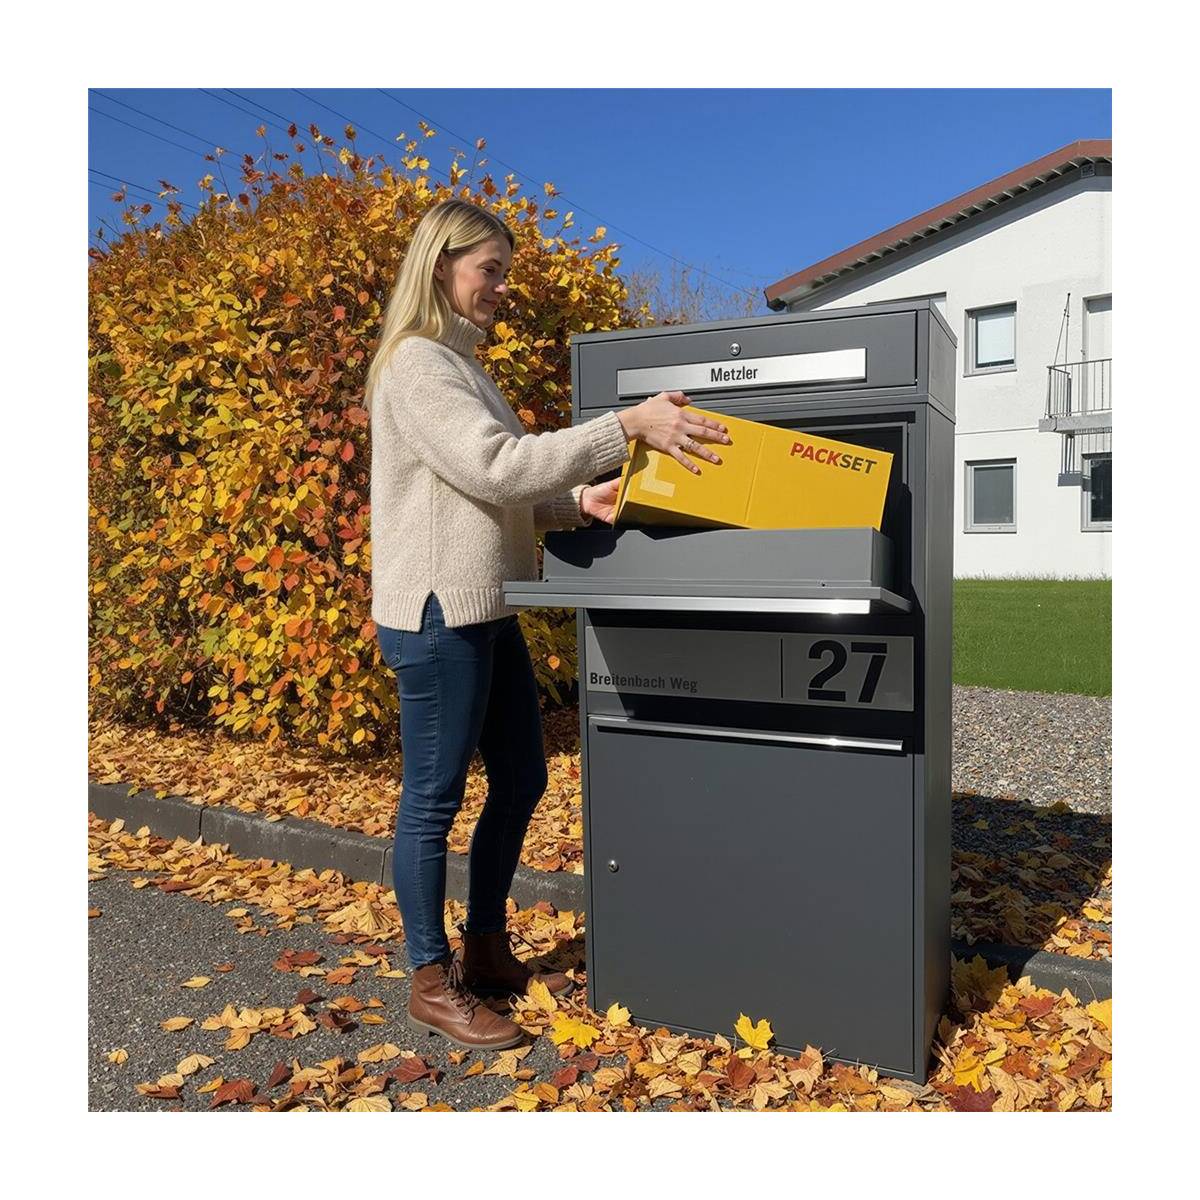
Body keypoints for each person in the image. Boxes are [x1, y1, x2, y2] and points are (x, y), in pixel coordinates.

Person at [364, 198, 731, 1049]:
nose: (501, 287)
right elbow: (496, 468)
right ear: (441, 265)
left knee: (522, 777)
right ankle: (430, 980)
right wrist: (625, 427)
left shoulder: (462, 367)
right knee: (432, 800)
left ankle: (486, 947)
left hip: (489, 607)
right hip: (438, 614)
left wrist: (575, 503)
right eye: (489, 269)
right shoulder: (417, 364)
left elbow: (490, 490)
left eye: (504, 272)